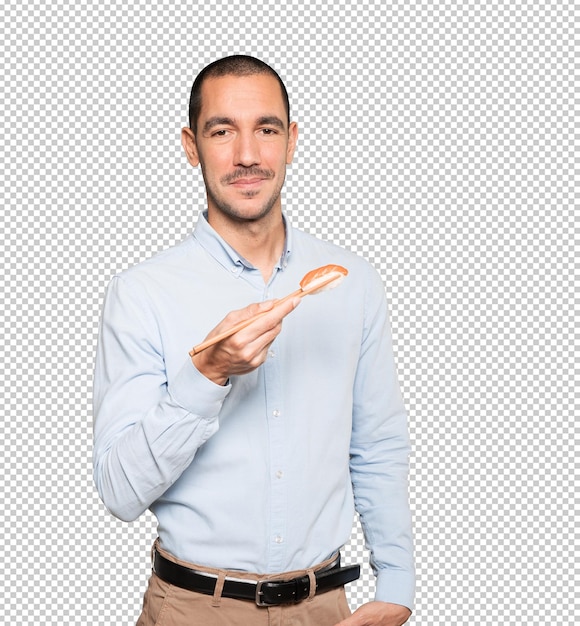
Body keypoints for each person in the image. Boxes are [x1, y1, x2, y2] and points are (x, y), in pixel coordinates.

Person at [93, 55, 414, 626]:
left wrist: (398, 583)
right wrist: (205, 376)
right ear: (191, 146)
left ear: (291, 141)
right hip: (193, 610)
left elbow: (377, 446)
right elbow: (119, 492)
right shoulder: (141, 292)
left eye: (266, 129)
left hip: (326, 609)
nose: (247, 155)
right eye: (222, 131)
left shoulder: (353, 280)